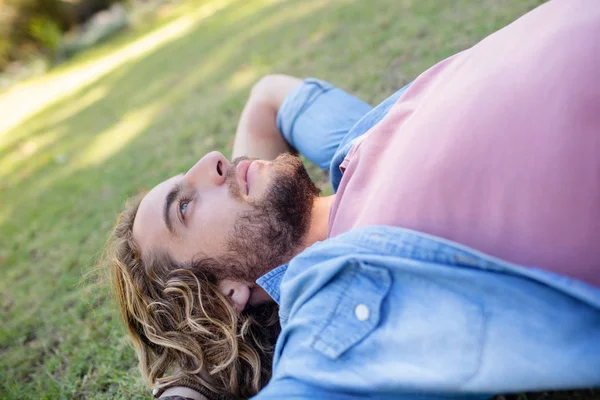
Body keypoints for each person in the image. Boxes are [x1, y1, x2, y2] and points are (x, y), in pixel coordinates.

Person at [104, 0, 600, 399]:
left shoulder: (357, 144)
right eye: (184, 207)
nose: (213, 159)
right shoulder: (333, 311)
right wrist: (191, 382)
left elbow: (267, 98)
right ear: (226, 294)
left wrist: (242, 202)